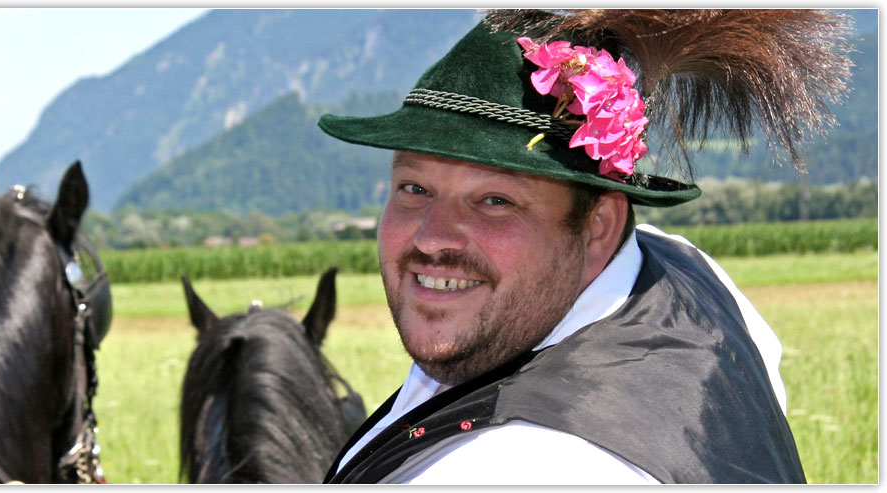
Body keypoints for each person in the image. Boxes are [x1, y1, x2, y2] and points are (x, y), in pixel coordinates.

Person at [316, 9, 852, 484]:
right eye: (414, 189)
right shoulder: (692, 273)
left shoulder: (509, 468)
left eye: (496, 201)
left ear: (598, 226)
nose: (432, 238)